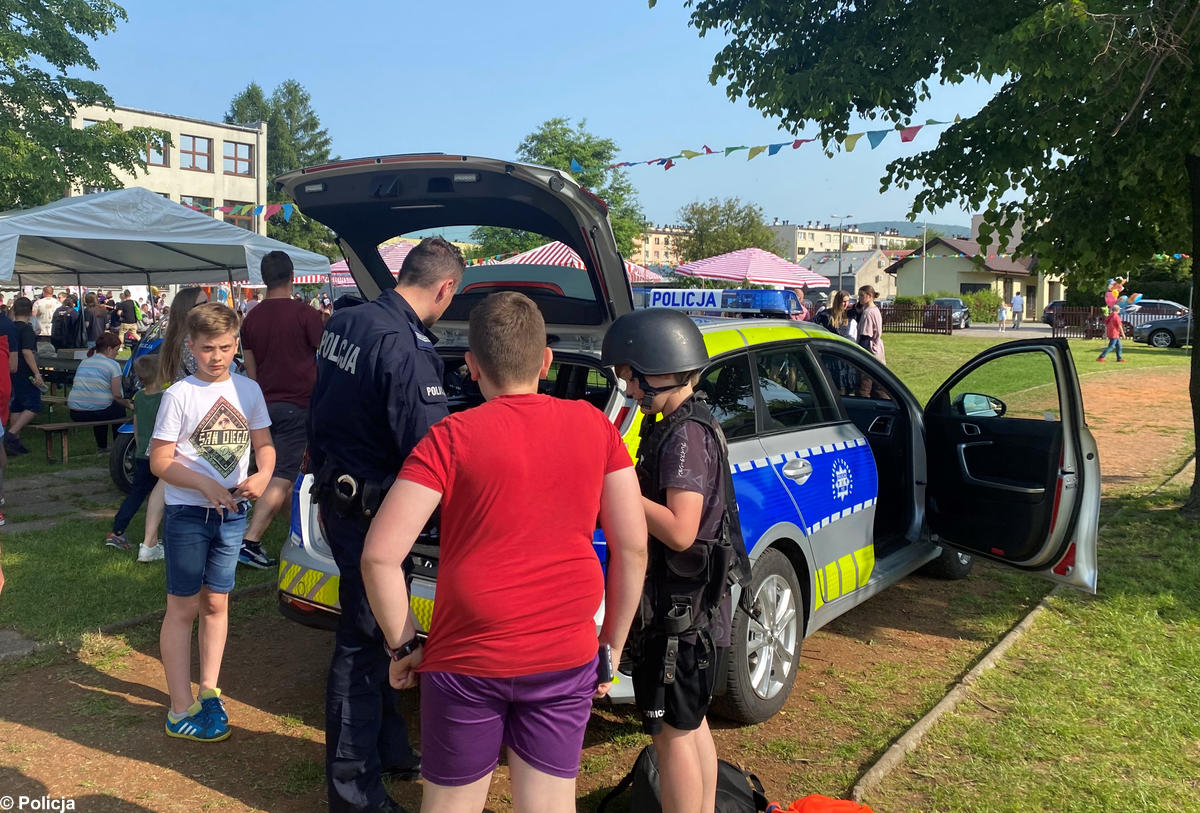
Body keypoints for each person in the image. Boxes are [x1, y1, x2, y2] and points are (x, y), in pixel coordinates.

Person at [361, 292, 648, 813]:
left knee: (451, 804)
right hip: (564, 652)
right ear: (546, 361)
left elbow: (379, 556)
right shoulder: (595, 427)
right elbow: (632, 547)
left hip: (466, 656)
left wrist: (403, 647)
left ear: (471, 367)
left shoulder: (449, 437)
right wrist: (611, 646)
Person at [308, 236, 464, 813]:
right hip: (371, 512)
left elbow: (319, 404)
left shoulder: (349, 322)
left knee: (373, 637)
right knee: (360, 644)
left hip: (339, 494)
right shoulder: (406, 347)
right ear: (446, 288)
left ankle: (390, 749)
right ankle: (353, 794)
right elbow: (429, 451)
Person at [600, 307, 749, 813]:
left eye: (631, 378)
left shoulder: (684, 435)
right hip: (690, 613)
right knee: (690, 724)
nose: (630, 390)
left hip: (679, 617)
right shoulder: (684, 423)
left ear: (658, 367)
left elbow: (682, 530)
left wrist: (618, 492)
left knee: (671, 735)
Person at [148, 302, 274, 742]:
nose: (217, 356)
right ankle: (179, 707)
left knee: (217, 604)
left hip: (232, 515)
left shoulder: (248, 390)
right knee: (183, 608)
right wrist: (204, 485)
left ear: (237, 343)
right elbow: (159, 462)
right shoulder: (179, 395)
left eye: (224, 347)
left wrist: (263, 474)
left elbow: (265, 445)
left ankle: (209, 690)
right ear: (190, 347)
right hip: (186, 515)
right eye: (207, 349)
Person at [238, 250, 324, 569]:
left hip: (263, 404)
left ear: (263, 279)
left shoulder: (251, 318)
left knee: (278, 473)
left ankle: (297, 531)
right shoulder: (305, 314)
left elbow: (251, 368)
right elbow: (326, 355)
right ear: (293, 277)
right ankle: (250, 540)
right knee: (283, 475)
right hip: (298, 404)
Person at [104, 353, 167, 561]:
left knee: (136, 494)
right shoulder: (167, 398)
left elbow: (137, 423)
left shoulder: (139, 397)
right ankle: (163, 538)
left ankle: (117, 531)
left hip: (143, 454)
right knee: (167, 496)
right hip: (162, 454)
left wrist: (140, 447)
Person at [67, 332, 132, 452]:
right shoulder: (113, 365)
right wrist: (130, 405)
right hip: (96, 411)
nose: (117, 353)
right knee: (116, 408)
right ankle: (120, 447)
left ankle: (102, 446)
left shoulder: (84, 362)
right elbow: (117, 395)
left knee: (101, 405)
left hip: (75, 412)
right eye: (116, 350)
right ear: (108, 349)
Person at [5, 297, 44, 456]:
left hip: (10, 367)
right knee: (34, 404)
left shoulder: (9, 327)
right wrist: (36, 373)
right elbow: (27, 352)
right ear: (30, 312)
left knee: (17, 405)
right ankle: (11, 434)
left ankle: (15, 443)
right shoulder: (27, 329)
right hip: (24, 369)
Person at [856, 285, 886, 398]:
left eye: (862, 295)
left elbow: (865, 337)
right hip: (878, 351)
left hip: (869, 352)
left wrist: (859, 355)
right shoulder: (875, 309)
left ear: (869, 296)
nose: (860, 298)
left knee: (864, 389)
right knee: (878, 389)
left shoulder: (868, 313)